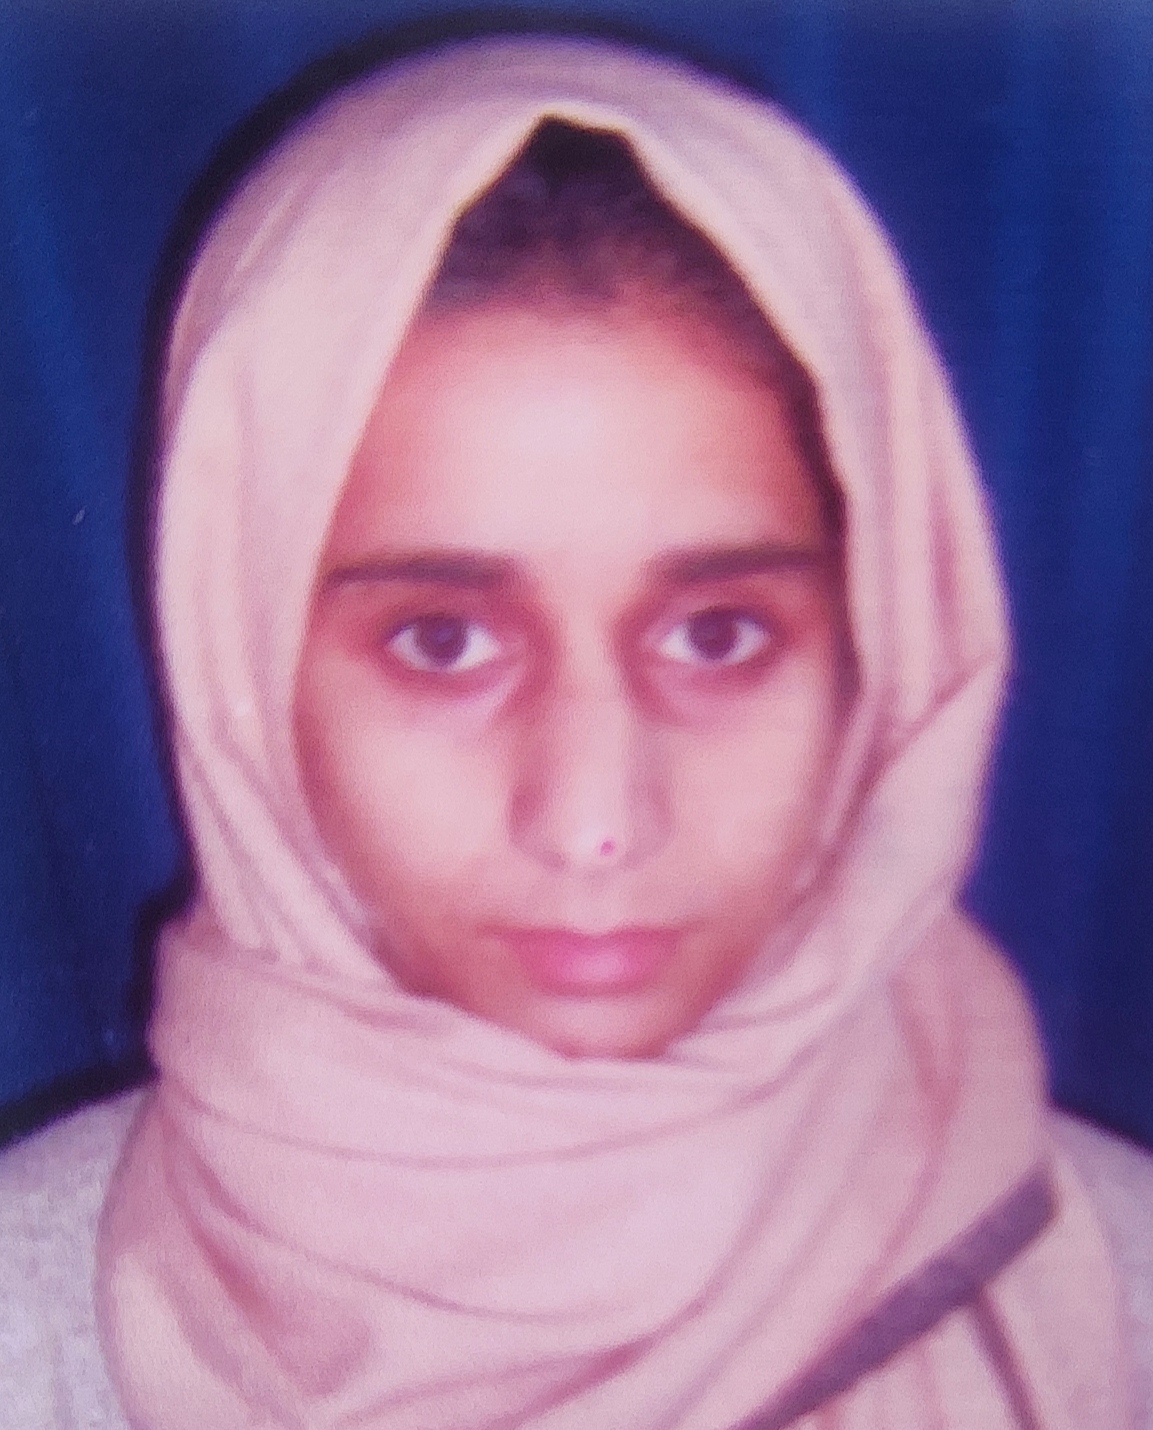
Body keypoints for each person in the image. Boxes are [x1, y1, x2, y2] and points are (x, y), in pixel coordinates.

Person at [2, 28, 1152, 1430]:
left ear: (880, 658)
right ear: (243, 674)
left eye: (716, 635)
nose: (597, 818)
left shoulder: (1115, 1294)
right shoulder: (31, 1336)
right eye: (443, 642)